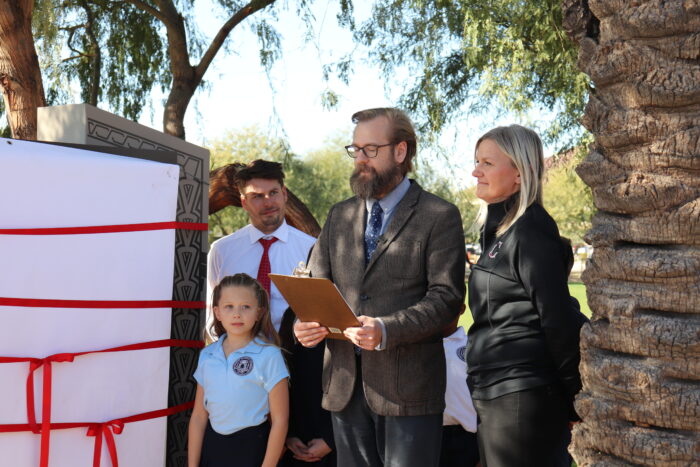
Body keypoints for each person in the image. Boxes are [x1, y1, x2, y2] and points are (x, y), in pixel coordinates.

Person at [294, 107, 466, 467]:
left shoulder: (439, 215)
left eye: (370, 149)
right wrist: (305, 324)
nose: (359, 159)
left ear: (400, 152)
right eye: (355, 149)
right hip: (343, 388)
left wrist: (387, 329)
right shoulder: (338, 215)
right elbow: (316, 285)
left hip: (408, 392)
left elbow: (447, 299)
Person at [466, 125, 585, 466]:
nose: (476, 171)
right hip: (495, 394)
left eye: (487, 163)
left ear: (520, 172)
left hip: (524, 398)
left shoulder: (531, 230)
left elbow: (557, 318)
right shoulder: (498, 230)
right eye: (477, 161)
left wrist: (575, 396)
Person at [188, 273, 289, 467]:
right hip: (213, 448)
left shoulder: (269, 355)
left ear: (259, 312)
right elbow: (199, 416)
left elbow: (280, 421)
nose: (237, 314)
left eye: (246, 307)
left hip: (252, 449)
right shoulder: (208, 355)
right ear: (217, 312)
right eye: (229, 307)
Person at [207, 159, 316, 333]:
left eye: (273, 193)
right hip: (237, 354)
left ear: (284, 194)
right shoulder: (222, 250)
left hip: (294, 355)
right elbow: (212, 313)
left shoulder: (311, 249)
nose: (268, 203)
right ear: (244, 202)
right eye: (257, 196)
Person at [440, 307, 479, 467]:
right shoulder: (420, 348)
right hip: (431, 434)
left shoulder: (472, 346)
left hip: (468, 438)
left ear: (462, 309)